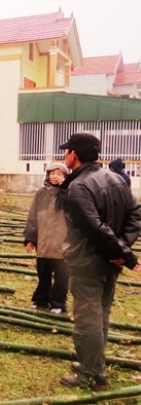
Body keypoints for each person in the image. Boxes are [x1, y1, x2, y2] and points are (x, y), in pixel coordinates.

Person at [58, 133, 141, 391]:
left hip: (87, 263)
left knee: (87, 321)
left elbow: (94, 228)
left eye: (66, 151)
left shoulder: (79, 187)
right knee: (101, 316)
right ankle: (92, 363)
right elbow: (136, 214)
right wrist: (121, 250)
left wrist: (123, 254)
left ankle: (94, 376)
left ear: (74, 154)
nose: (64, 156)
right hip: (109, 263)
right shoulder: (116, 179)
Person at [23, 162, 69, 314]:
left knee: (62, 275)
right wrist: (30, 238)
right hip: (43, 241)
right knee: (43, 274)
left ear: (65, 176)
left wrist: (64, 188)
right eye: (52, 173)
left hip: (62, 242)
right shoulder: (41, 192)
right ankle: (40, 300)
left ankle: (58, 303)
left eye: (59, 174)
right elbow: (33, 216)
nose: (55, 176)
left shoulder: (69, 192)